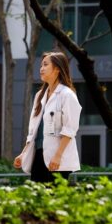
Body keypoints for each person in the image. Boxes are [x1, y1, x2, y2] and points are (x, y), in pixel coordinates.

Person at [14, 51, 82, 183]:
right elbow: (34, 131)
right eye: (41, 65)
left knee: (53, 199)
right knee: (37, 198)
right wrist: (24, 153)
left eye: (45, 65)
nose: (41, 69)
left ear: (57, 69)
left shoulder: (67, 95)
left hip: (57, 159)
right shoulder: (40, 95)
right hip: (38, 156)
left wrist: (57, 156)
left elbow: (70, 129)